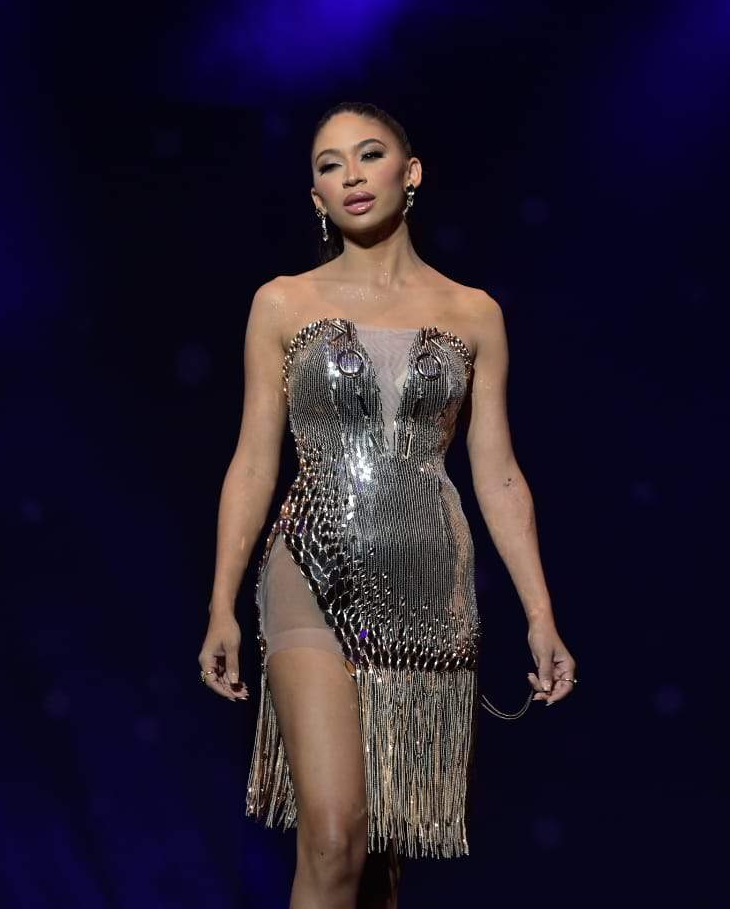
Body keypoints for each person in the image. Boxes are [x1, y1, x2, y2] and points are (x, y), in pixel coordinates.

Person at [198, 101, 576, 907]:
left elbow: (499, 472)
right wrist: (221, 603)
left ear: (410, 174)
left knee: (376, 861)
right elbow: (254, 460)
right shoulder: (281, 303)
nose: (351, 176)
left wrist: (540, 614)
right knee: (334, 833)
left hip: (429, 584)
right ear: (315, 197)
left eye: (369, 156)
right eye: (329, 165)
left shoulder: (474, 314)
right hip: (309, 567)